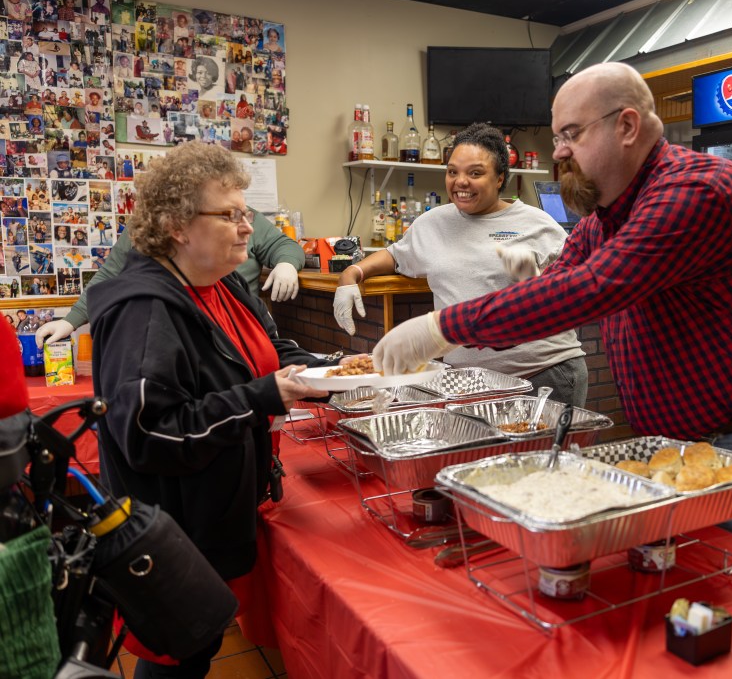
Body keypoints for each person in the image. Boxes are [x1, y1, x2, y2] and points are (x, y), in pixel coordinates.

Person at [371, 62, 732, 565]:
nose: (558, 151)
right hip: (682, 442)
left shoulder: (694, 191)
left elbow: (592, 290)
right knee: (703, 597)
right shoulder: (605, 217)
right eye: (557, 137)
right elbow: (563, 286)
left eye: (571, 134)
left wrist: (440, 327)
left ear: (626, 127)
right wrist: (539, 282)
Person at [87, 141, 330, 677]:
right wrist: (263, 397)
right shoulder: (146, 311)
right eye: (230, 215)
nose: (248, 227)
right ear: (178, 225)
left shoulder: (221, 286)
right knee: (178, 659)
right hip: (173, 534)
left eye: (247, 214)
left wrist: (331, 372)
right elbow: (150, 435)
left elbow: (266, 354)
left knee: (199, 651)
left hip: (214, 519)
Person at [333, 123, 588, 407]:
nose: (460, 182)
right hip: (468, 383)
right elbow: (395, 255)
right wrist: (352, 273)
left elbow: (574, 288)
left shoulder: (537, 223)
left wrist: (535, 277)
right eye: (453, 171)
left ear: (500, 178)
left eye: (475, 173)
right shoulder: (433, 223)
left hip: (543, 376)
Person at [37, 200, 305, 345]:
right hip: (176, 336)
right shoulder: (147, 226)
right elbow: (111, 274)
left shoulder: (235, 278)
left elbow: (282, 245)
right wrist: (71, 320)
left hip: (242, 331)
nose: (245, 227)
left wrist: (286, 263)